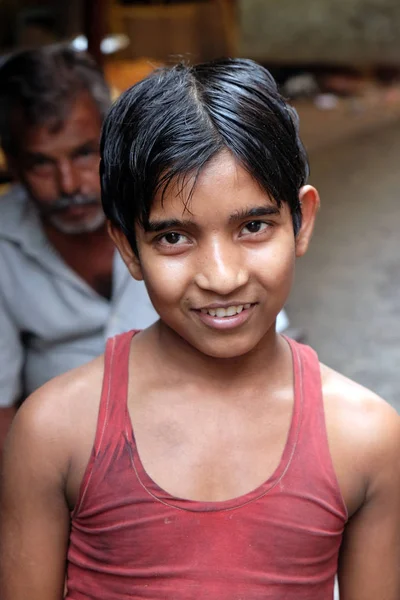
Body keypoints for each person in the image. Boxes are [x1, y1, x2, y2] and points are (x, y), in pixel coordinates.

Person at [1, 58, 399, 600]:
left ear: (301, 221)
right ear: (129, 250)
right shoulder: (53, 431)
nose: (221, 276)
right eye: (173, 238)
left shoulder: (366, 438)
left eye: (253, 226)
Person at [0, 45, 157, 448]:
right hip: (62, 454)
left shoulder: (169, 204)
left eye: (84, 153)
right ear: (13, 167)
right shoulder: (4, 242)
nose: (69, 185)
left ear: (110, 138)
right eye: (41, 163)